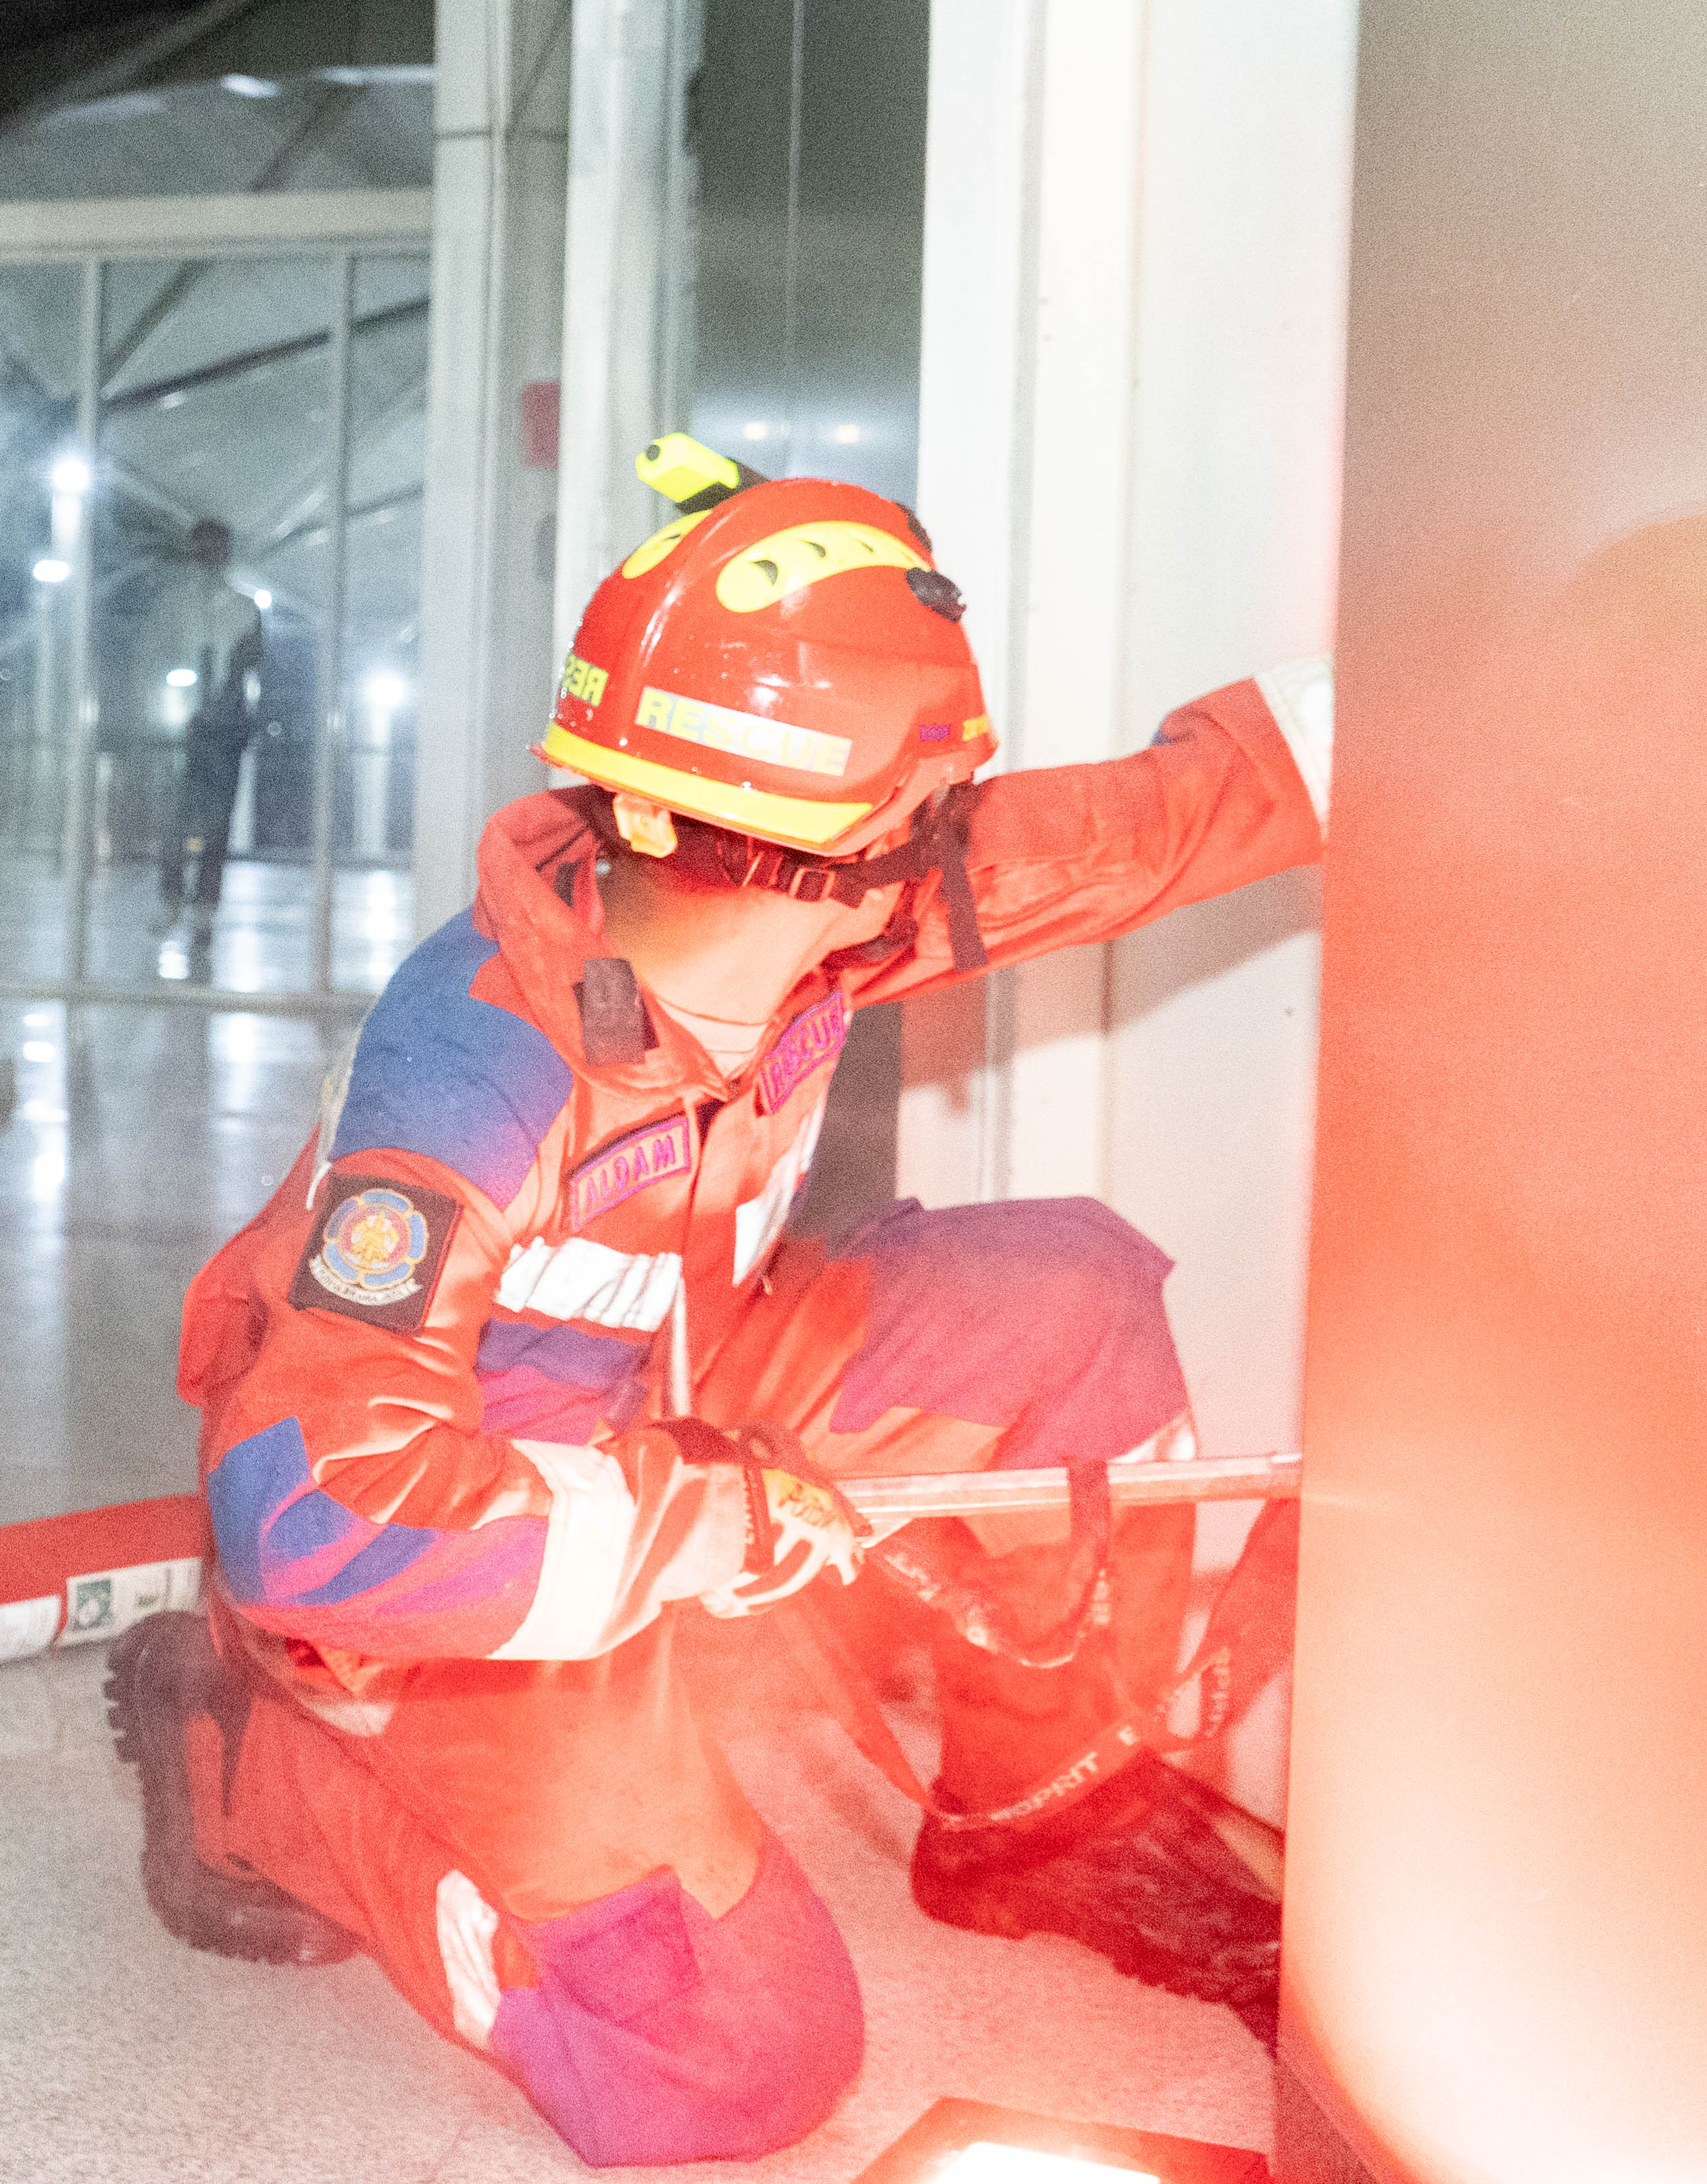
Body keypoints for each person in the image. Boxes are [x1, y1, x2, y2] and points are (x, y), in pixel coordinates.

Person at [107, 465, 1330, 2166]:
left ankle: (1033, 1816)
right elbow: (310, 1518)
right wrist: (689, 1521)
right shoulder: (473, 1077)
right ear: (878, 825)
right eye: (942, 799)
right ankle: (257, 1769)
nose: (962, 831)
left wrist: (1448, 697)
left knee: (1070, 1295)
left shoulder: (790, 900)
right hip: (451, 1526)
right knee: (731, 2054)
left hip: (682, 1389)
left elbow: (1148, 823)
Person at [146, 518, 266, 919]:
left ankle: (205, 904)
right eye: (204, 549)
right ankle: (172, 897)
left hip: (224, 730)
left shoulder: (244, 609)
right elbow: (156, 659)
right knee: (173, 818)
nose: (211, 558)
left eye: (218, 549)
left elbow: (253, 667)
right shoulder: (172, 606)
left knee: (217, 822)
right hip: (181, 728)